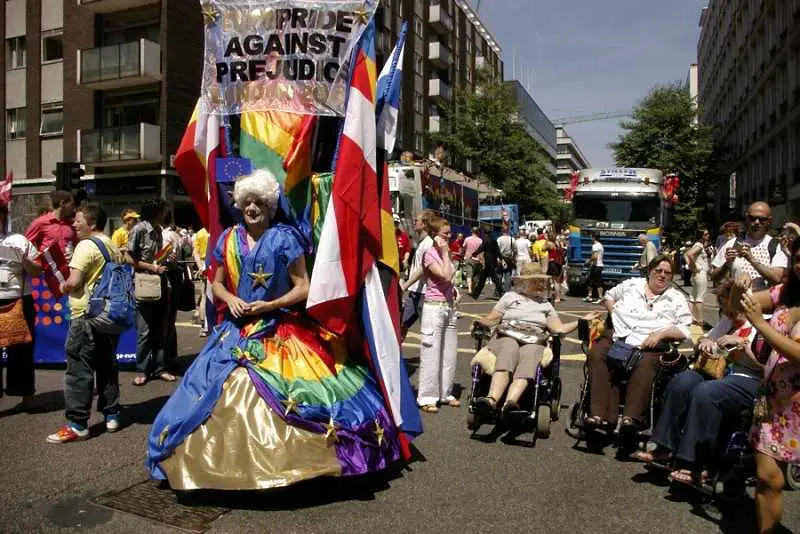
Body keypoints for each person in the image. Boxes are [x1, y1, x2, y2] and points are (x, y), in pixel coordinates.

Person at [146, 169, 405, 489]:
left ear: (270, 206)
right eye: (247, 202)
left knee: (270, 387)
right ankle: (224, 464)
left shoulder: (285, 238)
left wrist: (269, 306)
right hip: (235, 328)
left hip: (278, 327)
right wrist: (232, 299)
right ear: (239, 205)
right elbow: (215, 284)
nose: (252, 208)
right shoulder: (227, 239)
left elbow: (303, 287)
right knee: (215, 388)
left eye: (258, 203)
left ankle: (285, 465)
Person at [632, 279, 762, 484]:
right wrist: (705, 342)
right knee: (681, 382)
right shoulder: (727, 323)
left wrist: (742, 344)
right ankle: (664, 446)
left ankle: (693, 461)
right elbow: (703, 339)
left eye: (732, 312)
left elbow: (766, 366)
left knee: (705, 392)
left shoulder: (760, 325)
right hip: (720, 373)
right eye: (725, 311)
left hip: (748, 378)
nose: (728, 316)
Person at [473, 263, 599, 415]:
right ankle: (491, 400)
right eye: (536, 280)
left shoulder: (545, 305)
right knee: (509, 349)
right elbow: (492, 319)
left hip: (534, 339)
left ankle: (510, 403)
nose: (541, 283)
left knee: (531, 357)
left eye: (541, 280)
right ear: (524, 282)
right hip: (507, 334)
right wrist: (481, 322)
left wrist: (582, 321)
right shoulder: (510, 297)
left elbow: (559, 329)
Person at [586, 255, 692, 432]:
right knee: (597, 353)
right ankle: (598, 415)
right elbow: (608, 296)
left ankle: (631, 418)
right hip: (619, 337)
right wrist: (614, 314)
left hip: (650, 343)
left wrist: (661, 334)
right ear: (650, 271)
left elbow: (685, 329)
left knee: (646, 363)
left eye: (668, 273)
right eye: (658, 270)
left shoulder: (676, 297)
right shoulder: (632, 285)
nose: (662, 275)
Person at [737, 237, 800, 533]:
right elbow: (745, 302)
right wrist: (741, 286)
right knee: (768, 478)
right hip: (774, 402)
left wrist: (760, 325)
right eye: (798, 258)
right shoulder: (785, 293)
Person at [46, 205, 122, 443]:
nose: (74, 225)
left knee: (79, 368)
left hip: (85, 315)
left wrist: (64, 285)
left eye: (79, 221)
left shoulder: (85, 246)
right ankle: (112, 414)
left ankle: (78, 423)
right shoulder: (110, 244)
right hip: (109, 315)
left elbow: (75, 281)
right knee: (106, 365)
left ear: (91, 224)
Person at [127, 199, 176, 386]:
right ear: (155, 211)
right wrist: (151, 267)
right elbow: (128, 258)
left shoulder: (158, 230)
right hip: (144, 282)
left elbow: (156, 258)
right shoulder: (139, 229)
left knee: (160, 327)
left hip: (160, 281)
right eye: (163, 210)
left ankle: (159, 367)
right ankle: (142, 369)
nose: (165, 213)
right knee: (144, 329)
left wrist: (165, 258)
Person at [0, 202, 42, 411]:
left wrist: (22, 257)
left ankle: (27, 397)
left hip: (18, 299)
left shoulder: (18, 240)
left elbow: (37, 271)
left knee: (23, 351)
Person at [417, 216, 458, 413]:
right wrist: (444, 252)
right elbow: (445, 275)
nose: (449, 237)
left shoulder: (444, 252)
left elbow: (450, 278)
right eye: (446, 234)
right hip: (433, 307)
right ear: (435, 235)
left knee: (449, 352)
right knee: (431, 352)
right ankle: (427, 397)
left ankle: (445, 392)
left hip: (449, 307)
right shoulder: (430, 253)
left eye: (450, 233)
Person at [711, 202, 787, 291]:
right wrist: (726, 264)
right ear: (747, 218)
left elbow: (777, 278)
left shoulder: (776, 246)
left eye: (762, 219)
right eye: (752, 218)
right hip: (737, 301)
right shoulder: (732, 244)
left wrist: (751, 259)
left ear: (769, 221)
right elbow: (714, 278)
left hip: (763, 302)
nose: (757, 222)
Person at [400, 209, 436, 341]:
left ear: (425, 224)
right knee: (402, 324)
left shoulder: (428, 244)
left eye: (417, 220)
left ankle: (432, 358)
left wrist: (404, 285)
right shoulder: (421, 242)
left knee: (427, 331)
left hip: (424, 293)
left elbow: (422, 269)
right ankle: (396, 356)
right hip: (414, 292)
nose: (415, 222)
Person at [25, 189, 77, 258]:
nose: (73, 208)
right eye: (72, 204)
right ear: (62, 203)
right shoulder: (40, 222)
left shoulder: (72, 224)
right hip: (47, 267)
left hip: (68, 267)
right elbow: (25, 244)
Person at [684, 229, 712, 327]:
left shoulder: (697, 245)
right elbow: (689, 254)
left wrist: (692, 266)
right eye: (706, 234)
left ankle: (690, 318)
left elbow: (686, 254)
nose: (708, 235)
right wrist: (694, 266)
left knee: (693, 297)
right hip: (701, 273)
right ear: (701, 236)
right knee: (700, 297)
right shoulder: (699, 245)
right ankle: (700, 320)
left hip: (696, 274)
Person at [470, 226, 503, 300]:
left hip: (488, 261)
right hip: (493, 261)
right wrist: (501, 258)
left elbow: (481, 248)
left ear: (484, 233)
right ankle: (476, 294)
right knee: (484, 278)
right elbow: (497, 250)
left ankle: (501, 291)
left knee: (493, 278)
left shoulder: (485, 240)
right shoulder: (494, 240)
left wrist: (474, 253)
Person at [192, 227, 210, 337]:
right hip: (212, 263)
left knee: (204, 295)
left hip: (203, 264)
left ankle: (204, 325)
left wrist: (200, 267)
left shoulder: (200, 233)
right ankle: (208, 324)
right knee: (208, 295)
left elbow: (195, 252)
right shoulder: (214, 230)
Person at [584, 233, 604, 304]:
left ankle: (600, 298)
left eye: (591, 237)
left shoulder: (595, 246)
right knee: (591, 280)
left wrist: (588, 261)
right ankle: (589, 296)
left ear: (594, 237)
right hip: (598, 265)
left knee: (598, 282)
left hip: (597, 266)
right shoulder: (600, 245)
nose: (590, 238)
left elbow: (595, 256)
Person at [462, 226, 483, 295]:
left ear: (471, 231)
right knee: (476, 276)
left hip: (468, 258)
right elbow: (482, 252)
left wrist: (463, 254)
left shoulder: (467, 239)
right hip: (477, 260)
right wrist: (482, 260)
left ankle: (470, 289)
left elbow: (463, 247)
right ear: (478, 232)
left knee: (469, 275)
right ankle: (473, 288)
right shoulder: (480, 241)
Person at [496, 224, 515, 293]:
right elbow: (514, 250)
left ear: (502, 231)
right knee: (508, 275)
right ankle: (507, 291)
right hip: (509, 259)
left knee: (499, 275)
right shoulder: (512, 239)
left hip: (501, 258)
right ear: (508, 231)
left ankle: (498, 290)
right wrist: (513, 258)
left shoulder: (499, 239)